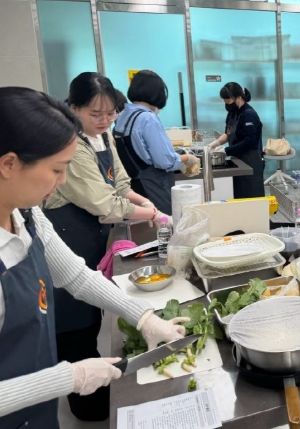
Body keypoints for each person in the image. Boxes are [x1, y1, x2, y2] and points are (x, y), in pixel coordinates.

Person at [0, 86, 188, 427]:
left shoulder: (26, 214)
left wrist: (144, 317)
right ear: (9, 164)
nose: (61, 183)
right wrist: (68, 378)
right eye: (56, 170)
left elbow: (75, 276)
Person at [42, 72, 171, 421]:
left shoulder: (102, 136)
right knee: (74, 325)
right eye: (95, 113)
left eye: (110, 113)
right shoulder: (72, 146)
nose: (104, 120)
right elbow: (104, 204)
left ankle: (95, 393)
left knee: (90, 315)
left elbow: (120, 183)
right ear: (73, 108)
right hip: (68, 237)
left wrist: (145, 203)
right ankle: (86, 407)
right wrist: (153, 214)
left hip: (90, 239)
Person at [113, 70, 199, 214]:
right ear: (158, 94)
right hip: (154, 185)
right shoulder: (148, 118)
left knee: (145, 222)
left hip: (133, 185)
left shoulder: (123, 116)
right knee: (165, 222)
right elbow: (164, 161)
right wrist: (187, 158)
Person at [207, 82, 265, 198]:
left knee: (251, 197)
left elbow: (250, 142)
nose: (226, 103)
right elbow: (228, 133)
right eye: (224, 100)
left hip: (251, 161)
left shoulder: (249, 114)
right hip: (238, 160)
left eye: (228, 100)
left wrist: (226, 150)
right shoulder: (232, 113)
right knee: (239, 195)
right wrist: (215, 143)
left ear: (238, 97)